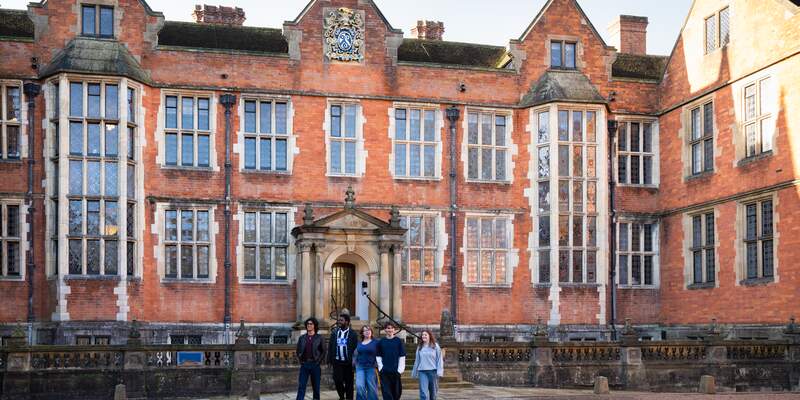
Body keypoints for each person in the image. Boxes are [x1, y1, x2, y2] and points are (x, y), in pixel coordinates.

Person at [328, 313, 358, 400]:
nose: (339, 322)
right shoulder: (335, 333)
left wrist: (354, 362)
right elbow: (330, 346)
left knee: (349, 383)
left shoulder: (353, 334)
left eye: (341, 320)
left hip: (348, 363)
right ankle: (342, 396)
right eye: (339, 320)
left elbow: (355, 348)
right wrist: (329, 360)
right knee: (338, 381)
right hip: (337, 362)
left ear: (347, 322)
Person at [295, 317, 325, 400]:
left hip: (315, 365)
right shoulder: (302, 338)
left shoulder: (319, 338)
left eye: (311, 324)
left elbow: (323, 351)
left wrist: (318, 362)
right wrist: (301, 361)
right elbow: (298, 351)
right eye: (307, 324)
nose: (309, 325)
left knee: (316, 388)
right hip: (305, 365)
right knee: (301, 386)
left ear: (314, 325)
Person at [377, 322, 406, 400]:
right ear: (385, 329)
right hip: (385, 371)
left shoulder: (398, 341)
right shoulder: (381, 341)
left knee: (396, 392)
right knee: (386, 392)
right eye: (388, 328)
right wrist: (381, 368)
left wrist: (400, 370)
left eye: (391, 328)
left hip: (395, 370)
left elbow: (402, 356)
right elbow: (378, 356)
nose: (389, 330)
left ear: (394, 329)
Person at [411, 330, 443, 400]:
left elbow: (439, 360)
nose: (424, 336)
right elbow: (417, 360)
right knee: (423, 393)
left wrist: (439, 372)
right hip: (422, 372)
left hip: (433, 372)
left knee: (433, 393)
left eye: (425, 335)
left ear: (429, 336)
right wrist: (414, 372)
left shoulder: (435, 346)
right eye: (422, 335)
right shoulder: (420, 347)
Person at [352, 325, 379, 400]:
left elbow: (381, 354)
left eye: (369, 330)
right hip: (360, 367)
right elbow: (355, 354)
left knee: (371, 387)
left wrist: (378, 364)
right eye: (365, 330)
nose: (367, 332)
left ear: (371, 332)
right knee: (359, 386)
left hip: (371, 367)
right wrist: (354, 363)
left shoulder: (376, 342)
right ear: (362, 333)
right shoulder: (359, 343)